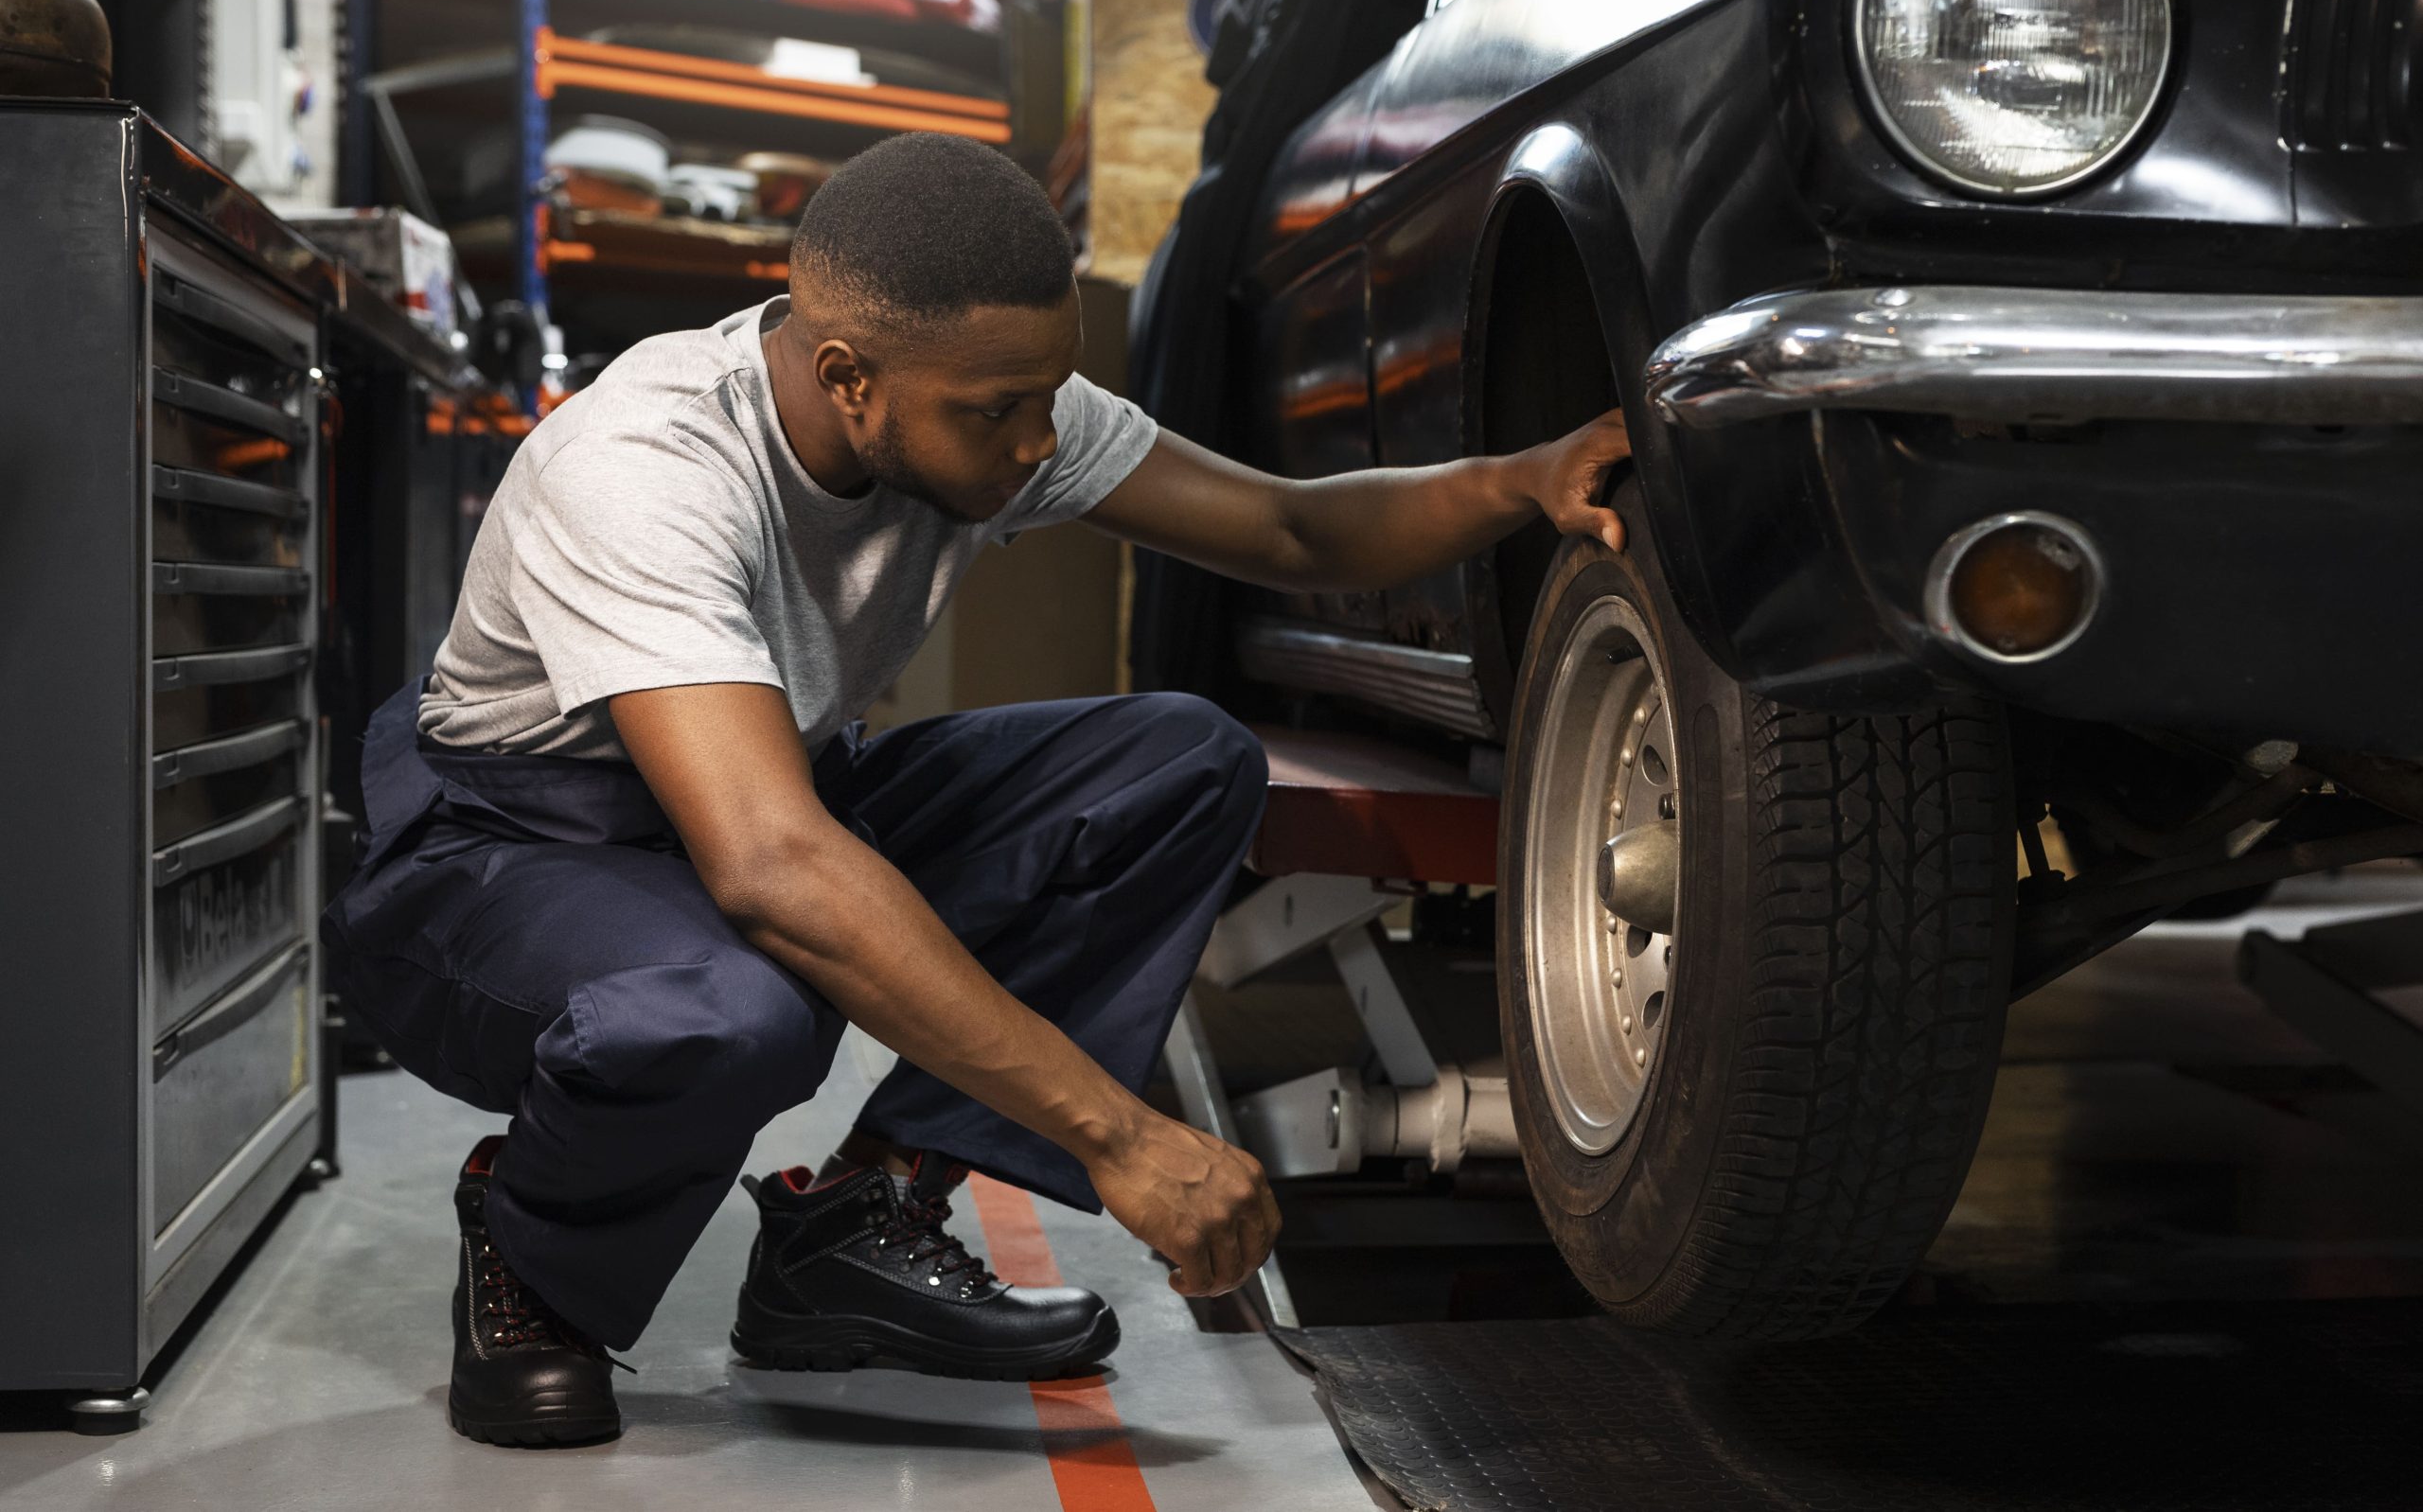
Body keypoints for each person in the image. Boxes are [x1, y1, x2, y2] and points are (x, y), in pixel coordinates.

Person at [322, 132, 1630, 1448]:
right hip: (508, 859)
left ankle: (861, 1222)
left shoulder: (982, 395)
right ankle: (534, 1261)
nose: (1037, 442)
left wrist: (1522, 479)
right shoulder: (645, 471)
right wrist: (1123, 1140)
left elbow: (1292, 530)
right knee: (731, 1008)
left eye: (1048, 395)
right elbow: (772, 870)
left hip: (762, 798)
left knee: (1178, 763)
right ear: (849, 380)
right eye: (998, 411)